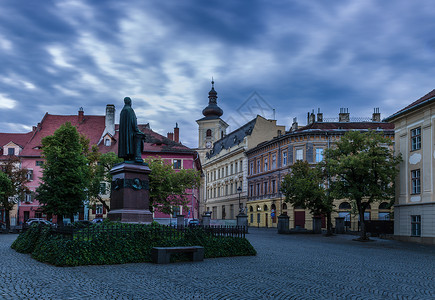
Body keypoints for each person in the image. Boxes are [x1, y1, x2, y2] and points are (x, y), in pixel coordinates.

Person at [118, 97, 145, 163]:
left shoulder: (122, 111)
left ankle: (126, 156)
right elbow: (133, 122)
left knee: (125, 144)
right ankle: (136, 156)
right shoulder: (130, 110)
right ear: (130, 102)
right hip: (130, 134)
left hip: (124, 134)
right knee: (137, 139)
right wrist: (138, 131)